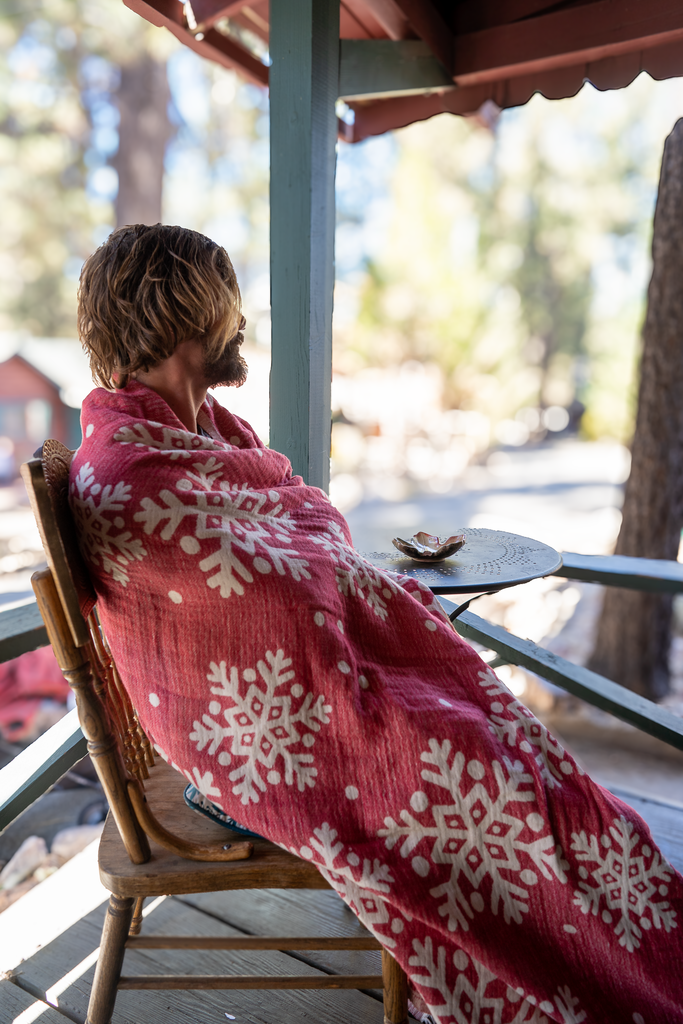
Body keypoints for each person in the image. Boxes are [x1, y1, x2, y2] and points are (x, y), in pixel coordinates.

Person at [70, 223, 682, 1024]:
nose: (236, 320)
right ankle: (595, 983)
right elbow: (280, 588)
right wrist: (328, 558)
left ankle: (631, 951)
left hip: (316, 690)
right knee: (497, 789)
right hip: (265, 743)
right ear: (193, 312)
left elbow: (296, 526)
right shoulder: (133, 472)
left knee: (530, 764)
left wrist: (326, 557)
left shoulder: (193, 432)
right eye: (223, 303)